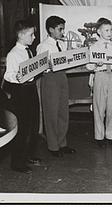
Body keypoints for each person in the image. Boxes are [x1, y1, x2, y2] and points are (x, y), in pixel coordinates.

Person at [3, 20, 41, 173]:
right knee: (23, 128)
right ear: (21, 35)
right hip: (21, 92)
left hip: (31, 90)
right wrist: (17, 77)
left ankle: (29, 155)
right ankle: (17, 162)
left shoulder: (28, 51)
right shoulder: (13, 54)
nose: (34, 37)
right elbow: (8, 75)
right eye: (31, 34)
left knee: (33, 124)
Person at [36, 15, 75, 157]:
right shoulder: (43, 46)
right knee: (51, 112)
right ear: (51, 29)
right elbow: (39, 67)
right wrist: (48, 66)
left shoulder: (61, 44)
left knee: (63, 112)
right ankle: (53, 146)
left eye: (63, 29)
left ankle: (62, 143)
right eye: (60, 29)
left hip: (62, 77)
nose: (63, 32)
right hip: (50, 78)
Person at [86, 17, 112, 147]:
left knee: (111, 107)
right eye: (106, 30)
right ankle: (99, 136)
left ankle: (110, 135)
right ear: (98, 32)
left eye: (110, 30)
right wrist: (96, 64)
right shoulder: (94, 47)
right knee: (99, 107)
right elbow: (88, 66)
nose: (109, 32)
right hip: (100, 76)